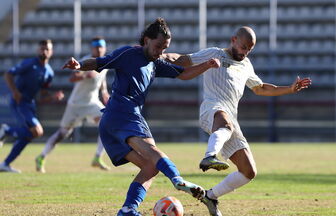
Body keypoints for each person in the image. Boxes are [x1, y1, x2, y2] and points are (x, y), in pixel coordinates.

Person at [62, 18, 221, 216]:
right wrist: (79, 65)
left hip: (111, 123)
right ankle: (177, 179)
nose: (160, 52)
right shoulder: (128, 53)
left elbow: (183, 74)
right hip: (124, 114)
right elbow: (98, 62)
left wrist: (207, 65)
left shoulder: (155, 63)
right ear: (146, 40)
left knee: (149, 167)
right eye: (158, 46)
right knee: (153, 153)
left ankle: (128, 209)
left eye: (164, 48)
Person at [164, 26, 312, 216]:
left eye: (249, 49)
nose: (245, 52)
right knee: (225, 123)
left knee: (248, 171)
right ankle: (209, 156)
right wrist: (160, 56)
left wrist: (289, 89)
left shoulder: (246, 64)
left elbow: (260, 88)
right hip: (212, 108)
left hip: (230, 119)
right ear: (233, 40)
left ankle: (210, 196)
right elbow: (184, 60)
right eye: (243, 47)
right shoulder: (214, 53)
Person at [35, 37, 111, 173]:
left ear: (104, 48)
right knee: (63, 134)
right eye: (96, 47)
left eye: (101, 47)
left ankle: (97, 157)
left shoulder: (105, 62)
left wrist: (105, 93)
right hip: (76, 104)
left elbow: (102, 82)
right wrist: (85, 76)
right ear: (92, 48)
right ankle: (41, 157)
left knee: (108, 125)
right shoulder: (86, 61)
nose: (99, 49)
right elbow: (72, 78)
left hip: (92, 102)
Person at [0, 39, 64, 173]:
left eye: (47, 49)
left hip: (29, 104)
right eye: (42, 48)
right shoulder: (29, 63)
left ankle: (5, 164)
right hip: (19, 102)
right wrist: (15, 92)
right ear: (38, 50)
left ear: (51, 52)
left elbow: (43, 95)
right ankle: (6, 131)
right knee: (37, 131)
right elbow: (8, 74)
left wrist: (53, 97)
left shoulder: (49, 73)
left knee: (29, 135)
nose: (44, 51)